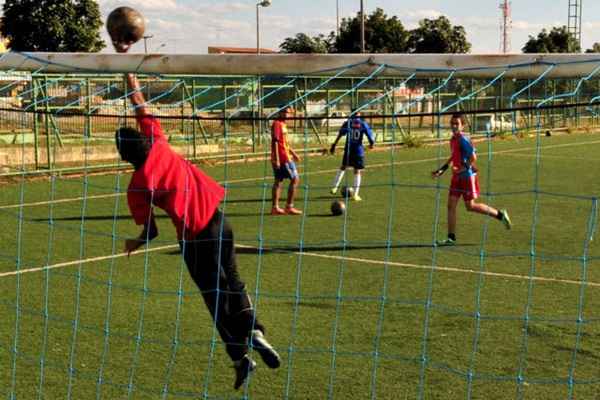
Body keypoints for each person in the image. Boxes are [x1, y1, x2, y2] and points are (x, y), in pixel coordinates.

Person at [115, 65, 280, 388]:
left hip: (194, 238)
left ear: (123, 157)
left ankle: (239, 358)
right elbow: (141, 106)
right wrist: (131, 79)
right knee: (233, 281)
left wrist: (135, 242)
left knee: (214, 299)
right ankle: (255, 330)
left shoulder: (136, 187)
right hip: (220, 220)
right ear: (142, 139)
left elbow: (152, 231)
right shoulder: (157, 141)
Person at [431, 112, 512, 245]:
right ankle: (451, 238)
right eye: (452, 123)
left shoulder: (463, 139)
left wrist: (462, 169)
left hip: (467, 177)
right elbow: (453, 156)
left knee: (471, 206)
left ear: (462, 126)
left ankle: (500, 215)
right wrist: (442, 169)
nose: (454, 126)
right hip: (456, 178)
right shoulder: (453, 139)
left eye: (457, 124)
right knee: (451, 206)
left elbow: (473, 157)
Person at [329, 110, 375, 202]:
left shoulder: (348, 123)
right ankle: (355, 195)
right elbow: (371, 138)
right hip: (358, 151)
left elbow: (340, 134)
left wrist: (334, 145)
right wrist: (371, 145)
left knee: (343, 167)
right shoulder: (363, 124)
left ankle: (334, 187)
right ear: (358, 114)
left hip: (348, 149)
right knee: (357, 171)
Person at [270, 106, 302, 215]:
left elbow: (285, 143)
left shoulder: (283, 124)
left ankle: (275, 208)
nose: (287, 115)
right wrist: (278, 160)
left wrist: (294, 153)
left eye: (289, 113)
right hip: (283, 158)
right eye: (285, 112)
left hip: (285, 156)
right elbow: (275, 142)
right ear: (280, 112)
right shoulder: (277, 124)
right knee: (295, 179)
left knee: (279, 181)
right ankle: (289, 206)